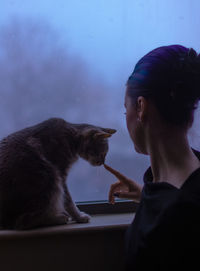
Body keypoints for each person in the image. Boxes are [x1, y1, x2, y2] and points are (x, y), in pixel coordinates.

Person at [104, 44, 200, 270]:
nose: (124, 117)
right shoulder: (173, 195)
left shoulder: (174, 217)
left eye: (124, 108)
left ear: (141, 108)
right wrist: (146, 196)